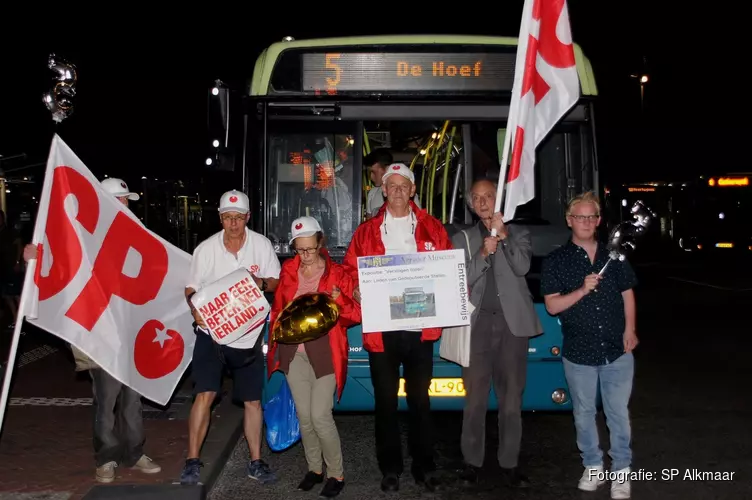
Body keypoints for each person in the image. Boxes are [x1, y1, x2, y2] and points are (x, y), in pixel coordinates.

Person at [23, 177, 161, 483]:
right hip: (101, 334)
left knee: (132, 400)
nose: (127, 205)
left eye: (127, 200)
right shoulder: (85, 237)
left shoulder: (136, 233)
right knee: (107, 400)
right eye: (122, 200)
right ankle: (107, 456)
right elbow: (62, 268)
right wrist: (34, 258)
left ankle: (135, 452)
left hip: (130, 333)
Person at [343, 163, 452, 493]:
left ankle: (424, 465)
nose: (399, 191)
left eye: (405, 186)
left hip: (420, 330)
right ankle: (390, 468)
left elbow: (447, 270)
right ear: (384, 191)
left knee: (420, 400)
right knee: (386, 402)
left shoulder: (433, 228)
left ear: (413, 190)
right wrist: (356, 289)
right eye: (392, 186)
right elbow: (349, 271)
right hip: (382, 331)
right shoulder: (366, 232)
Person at [540, 191, 638, 500]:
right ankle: (593, 466)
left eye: (591, 217)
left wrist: (630, 330)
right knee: (583, 412)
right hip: (579, 350)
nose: (586, 222)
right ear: (570, 221)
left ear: (598, 221)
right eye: (579, 216)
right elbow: (553, 306)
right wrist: (582, 289)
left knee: (617, 412)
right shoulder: (557, 260)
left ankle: (622, 470)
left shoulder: (615, 256)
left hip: (616, 348)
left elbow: (627, 295)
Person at [181, 189, 281, 485]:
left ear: (248, 217)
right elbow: (191, 289)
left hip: (248, 337)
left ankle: (256, 461)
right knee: (204, 394)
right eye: (228, 218)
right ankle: (191, 460)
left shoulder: (261, 245)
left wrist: (260, 281)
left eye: (239, 217)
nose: (234, 224)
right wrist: (195, 309)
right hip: (211, 335)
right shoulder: (206, 249)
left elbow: (276, 280)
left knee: (252, 401)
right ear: (220, 218)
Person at [454, 179, 541, 488]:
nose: (482, 202)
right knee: (474, 399)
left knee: (511, 400)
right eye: (476, 198)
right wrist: (481, 254)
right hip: (476, 326)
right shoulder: (462, 238)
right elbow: (458, 278)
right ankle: (471, 462)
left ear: (498, 199)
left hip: (512, 326)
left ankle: (510, 463)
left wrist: (502, 239)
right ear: (470, 204)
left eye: (488, 196)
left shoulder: (519, 233)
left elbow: (522, 267)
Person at [267, 216, 361, 498]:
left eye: (310, 249)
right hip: (293, 353)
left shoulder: (337, 274)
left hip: (324, 353)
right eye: (299, 249)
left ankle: (336, 473)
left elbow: (356, 314)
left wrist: (339, 300)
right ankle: (314, 469)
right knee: (305, 417)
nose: (305, 256)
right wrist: (274, 341)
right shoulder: (288, 270)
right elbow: (279, 311)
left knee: (321, 415)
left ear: (320, 242)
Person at [364, 149, 420, 218]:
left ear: (384, 169)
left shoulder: (408, 194)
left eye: (372, 172)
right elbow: (369, 223)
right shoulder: (372, 193)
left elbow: (419, 221)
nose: (371, 177)